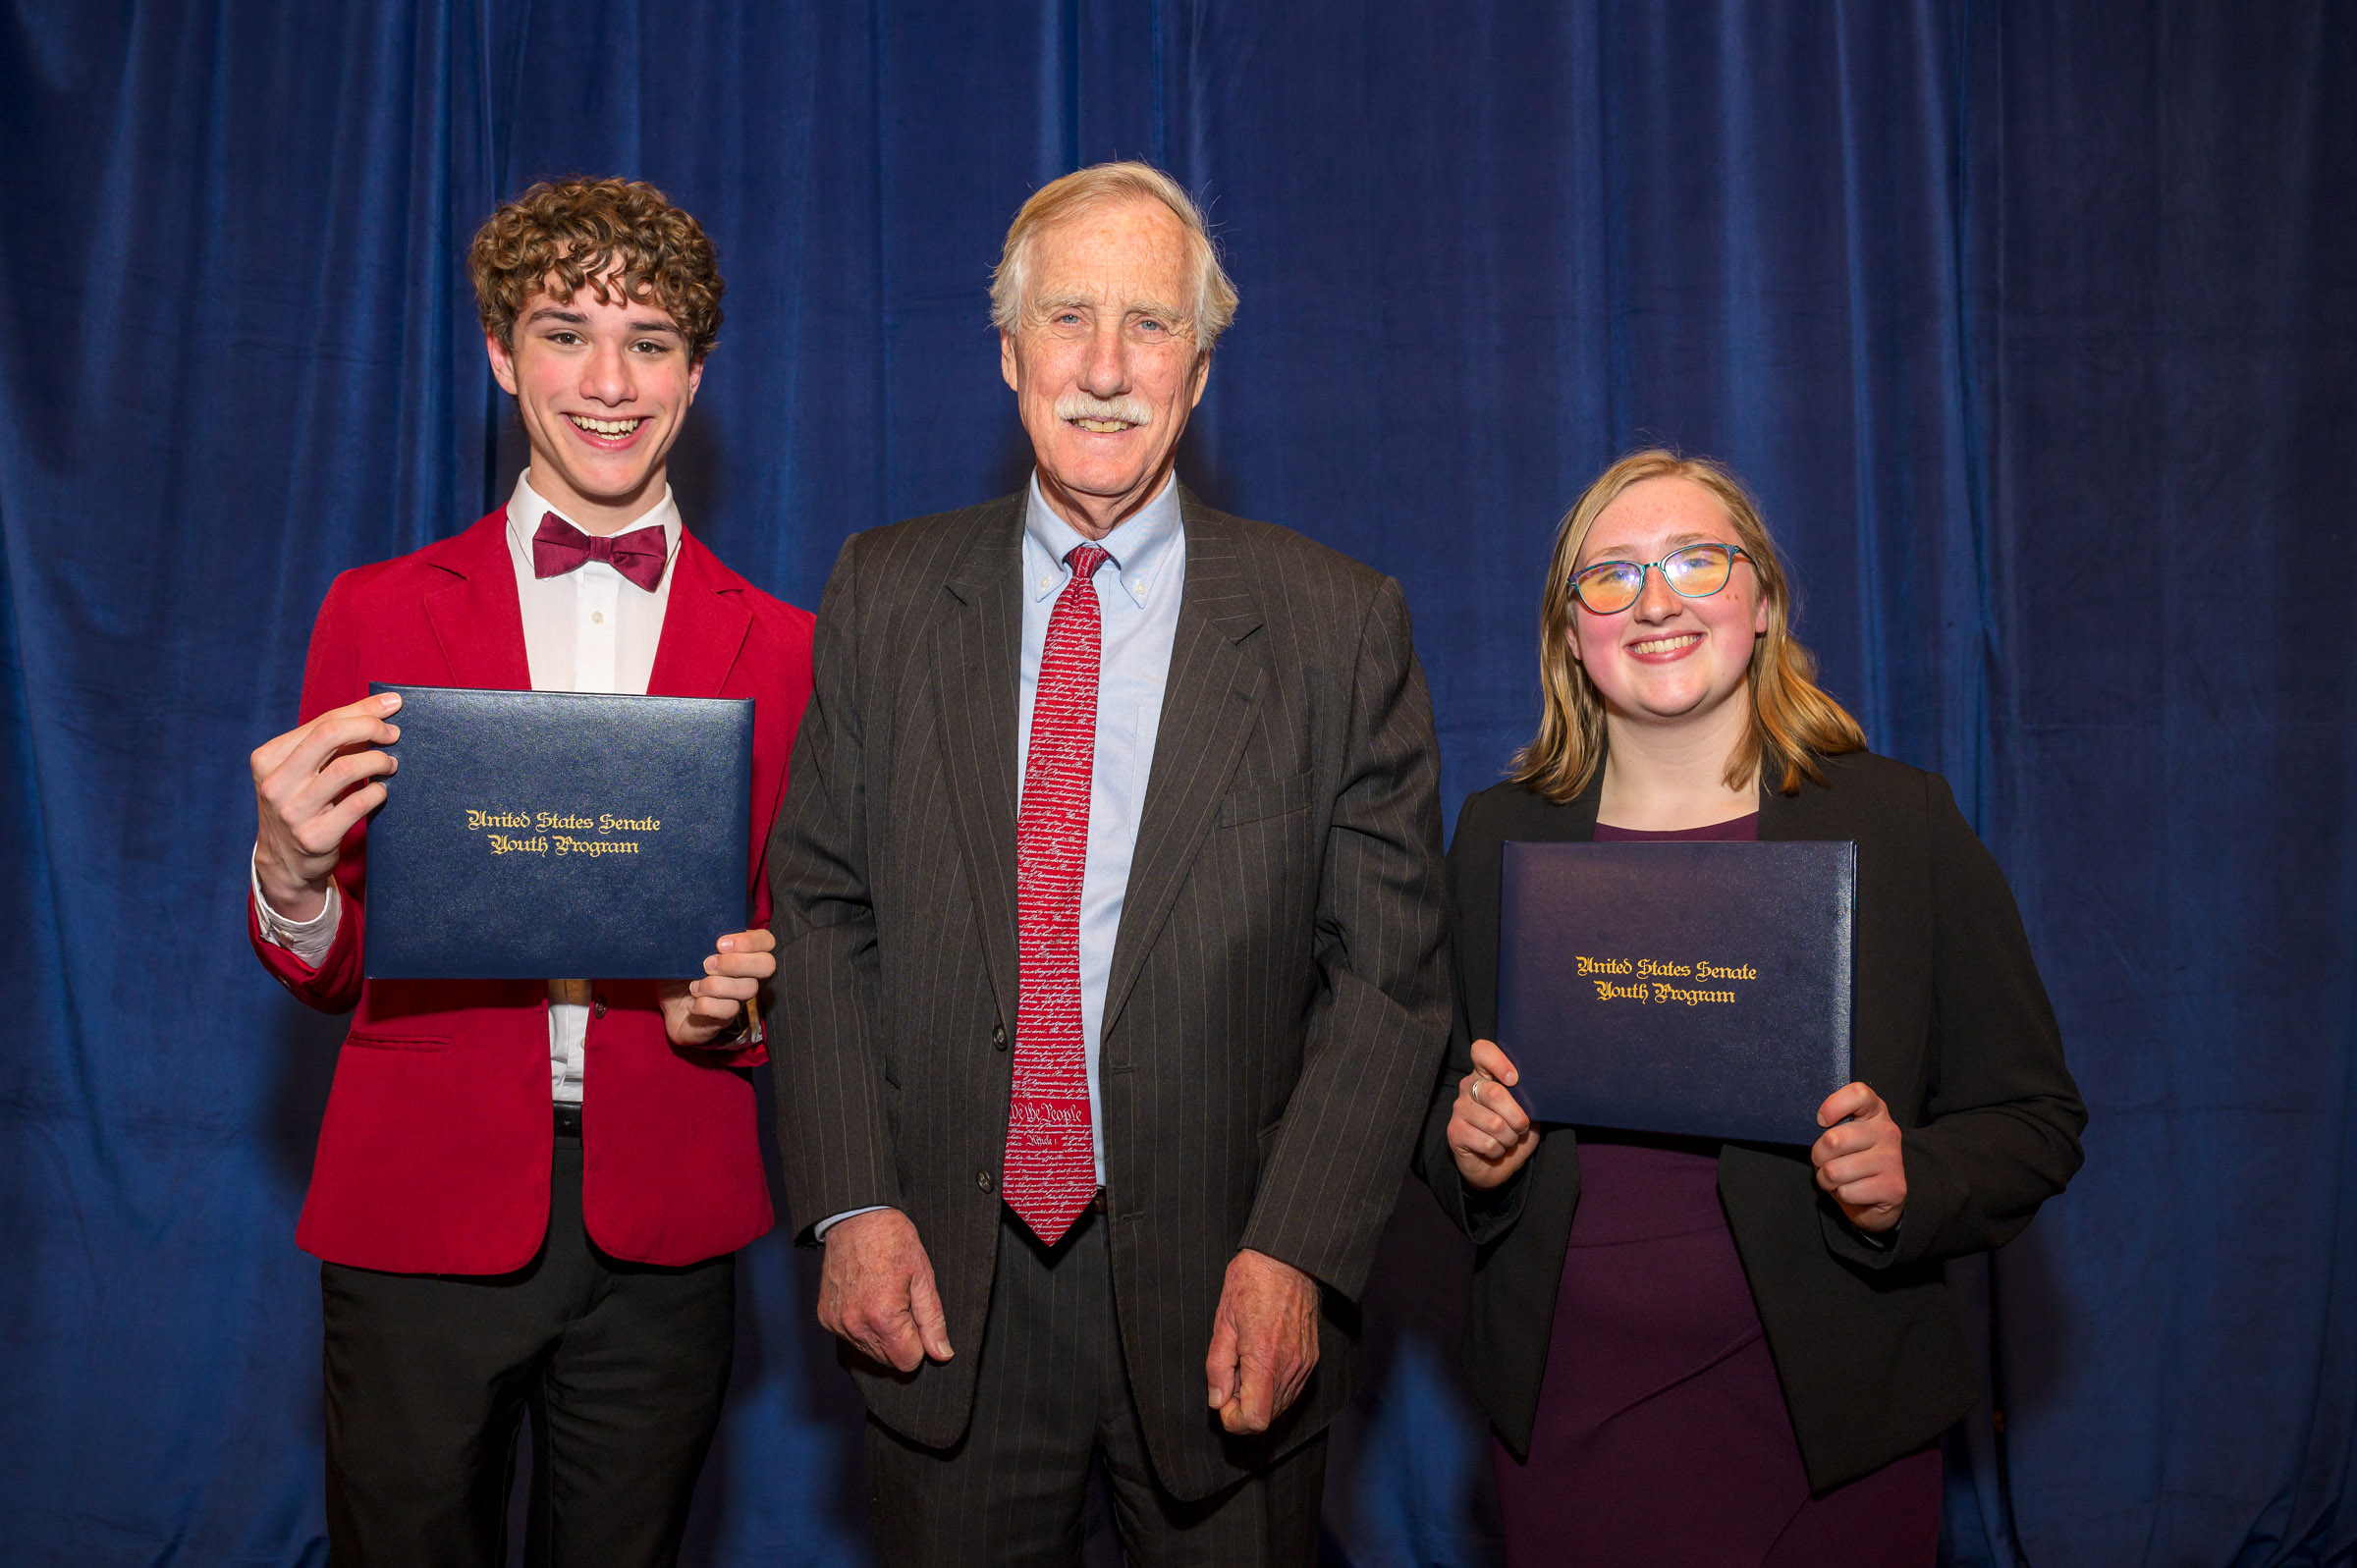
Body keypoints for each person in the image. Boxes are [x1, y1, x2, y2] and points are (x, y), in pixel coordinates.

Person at [767, 161, 1450, 1565]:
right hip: (943, 1293)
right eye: (1066, 317)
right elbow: (823, 914)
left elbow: (1385, 980)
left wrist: (1301, 1250)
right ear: (1009, 352)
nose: (1102, 366)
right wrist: (851, 1199)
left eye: (1149, 323)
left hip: (1228, 1297)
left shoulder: (1339, 625)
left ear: (1198, 368)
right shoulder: (883, 593)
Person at [246, 178, 813, 1567]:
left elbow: (811, 954)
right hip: (416, 1207)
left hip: (667, 1222)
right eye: (566, 333)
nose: (608, 382)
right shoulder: (373, 612)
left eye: (652, 341)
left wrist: (755, 1005)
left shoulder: (796, 650)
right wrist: (288, 872)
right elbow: (328, 965)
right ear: (500, 354)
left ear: (700, 371)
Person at [1416, 450, 2085, 1565]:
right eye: (1613, 575)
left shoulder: (1899, 823)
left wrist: (1912, 1179)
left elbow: (2032, 1117)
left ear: (1763, 601)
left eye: (1697, 562)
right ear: (1569, 629)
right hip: (1569, 1427)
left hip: (1830, 1431)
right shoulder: (1498, 836)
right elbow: (1430, 1098)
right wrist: (1466, 1148)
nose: (1658, 601)